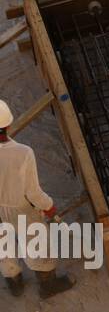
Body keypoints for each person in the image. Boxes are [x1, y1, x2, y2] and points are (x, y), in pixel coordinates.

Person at [0, 100, 75, 299]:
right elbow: (33, 192)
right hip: (22, 208)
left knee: (4, 244)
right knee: (35, 242)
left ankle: (14, 282)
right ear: (8, 125)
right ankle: (47, 284)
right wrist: (48, 206)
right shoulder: (23, 153)